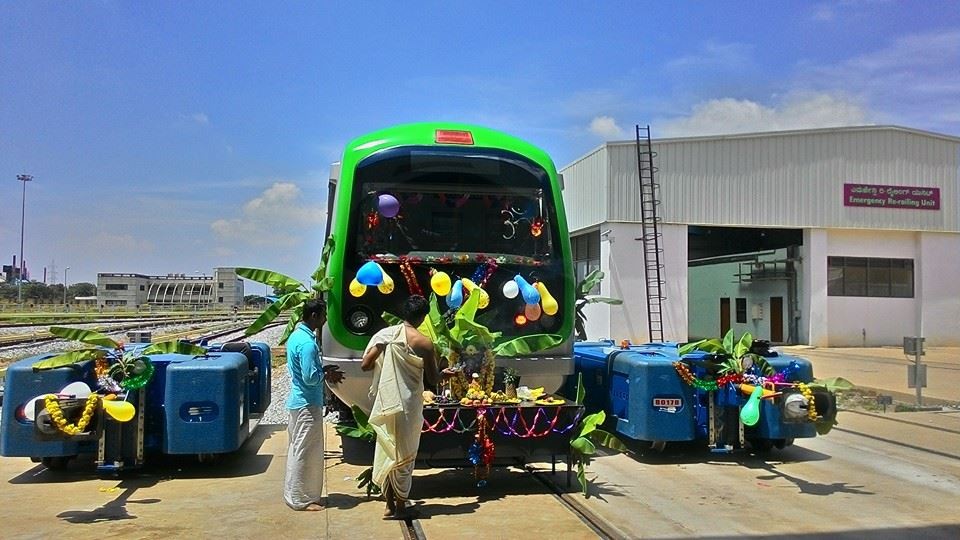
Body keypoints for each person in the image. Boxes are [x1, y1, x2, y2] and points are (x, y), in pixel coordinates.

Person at [361, 294, 453, 519]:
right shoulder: (424, 342)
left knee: (389, 450)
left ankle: (389, 505)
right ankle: (400, 508)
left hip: (387, 401)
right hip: (409, 405)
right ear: (422, 317)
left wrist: (382, 348)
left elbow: (365, 366)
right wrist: (446, 374)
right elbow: (433, 378)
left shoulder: (385, 336)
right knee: (405, 454)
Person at [284, 298, 344, 511]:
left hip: (298, 402)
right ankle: (303, 500)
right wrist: (326, 375)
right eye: (324, 315)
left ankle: (294, 495)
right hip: (307, 404)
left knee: (297, 448)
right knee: (306, 452)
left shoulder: (296, 337)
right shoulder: (308, 344)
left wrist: (323, 371)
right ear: (314, 316)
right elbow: (310, 378)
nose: (326, 319)